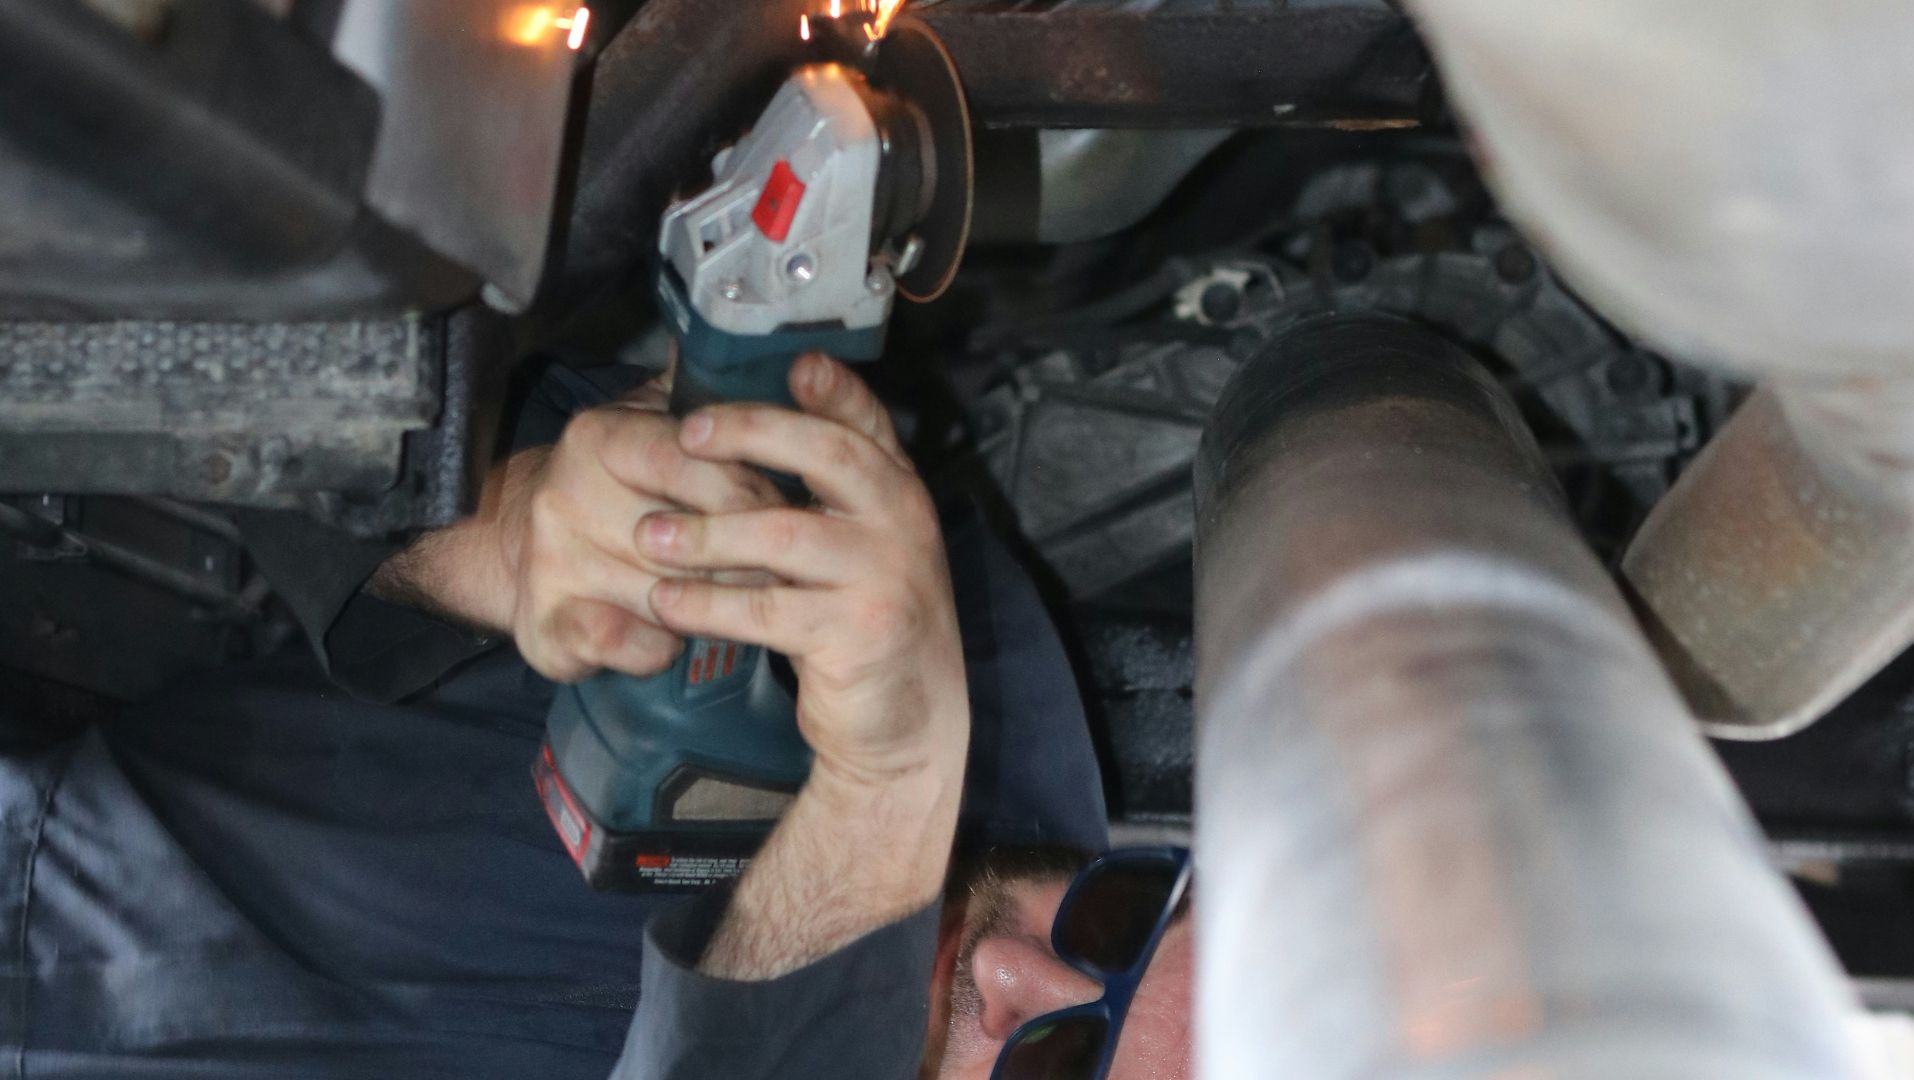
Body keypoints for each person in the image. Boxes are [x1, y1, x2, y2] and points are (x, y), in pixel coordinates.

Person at [0, 352, 1192, 1077]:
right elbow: (313, 416)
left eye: (1057, 1066)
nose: (1005, 969)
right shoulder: (930, 625)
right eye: (1119, 925)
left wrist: (885, 801)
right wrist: (511, 530)